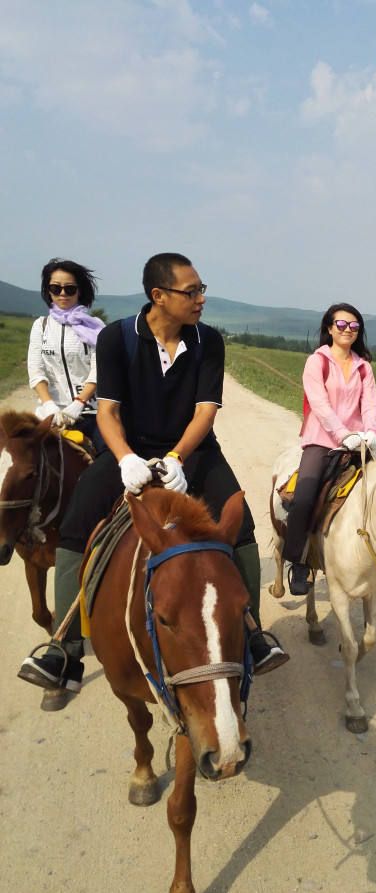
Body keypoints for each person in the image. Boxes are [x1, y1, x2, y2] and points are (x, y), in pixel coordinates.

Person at [18, 252, 288, 706]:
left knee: (238, 523)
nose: (201, 298)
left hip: (193, 450)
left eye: (202, 289)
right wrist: (124, 458)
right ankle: (65, 651)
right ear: (158, 296)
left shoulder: (208, 342)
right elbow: (107, 411)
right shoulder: (118, 338)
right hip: (131, 449)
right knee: (76, 523)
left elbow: (206, 411)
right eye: (192, 291)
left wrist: (178, 458)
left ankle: (252, 636)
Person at [283, 303, 376, 595]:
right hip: (322, 440)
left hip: (359, 442)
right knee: (304, 496)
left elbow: (370, 404)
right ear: (329, 328)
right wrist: (342, 435)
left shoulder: (364, 367)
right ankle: (298, 561)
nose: (348, 330)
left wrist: (372, 432)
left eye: (353, 326)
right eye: (341, 325)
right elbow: (320, 404)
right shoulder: (317, 362)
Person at [28, 258, 105, 451]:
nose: (63, 294)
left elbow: (99, 369)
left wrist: (79, 403)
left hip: (90, 411)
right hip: (50, 412)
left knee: (110, 457)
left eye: (70, 289)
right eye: (56, 288)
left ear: (80, 291)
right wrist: (49, 405)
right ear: (48, 291)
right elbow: (36, 370)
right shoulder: (41, 325)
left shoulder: (95, 327)